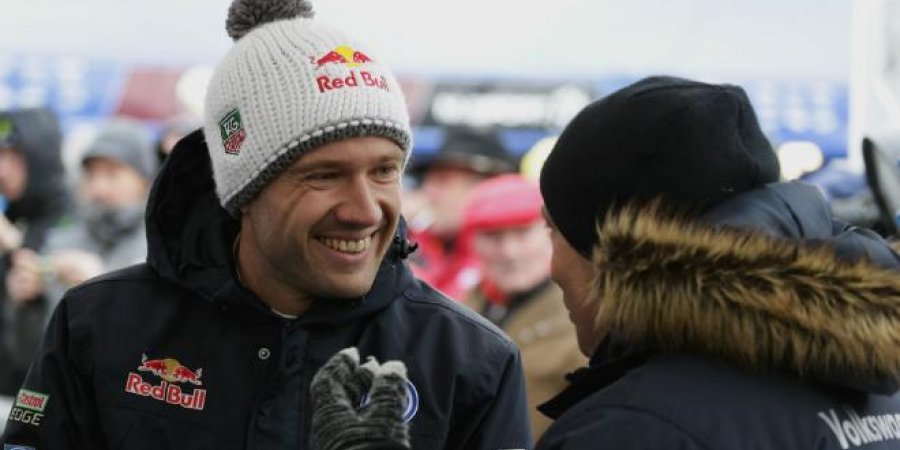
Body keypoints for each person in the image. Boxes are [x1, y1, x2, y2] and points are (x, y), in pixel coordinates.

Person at [0, 0, 532, 448]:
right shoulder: (98, 323)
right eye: (324, 175)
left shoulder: (472, 363)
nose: (366, 210)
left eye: (384, 171)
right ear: (243, 192)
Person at [310, 76, 900, 450]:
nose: (552, 267)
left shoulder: (635, 428)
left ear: (613, 251)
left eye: (553, 231)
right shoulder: (871, 377)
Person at [461, 174, 585, 439]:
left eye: (522, 232)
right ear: (472, 241)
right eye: (493, 236)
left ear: (551, 234)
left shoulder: (583, 319)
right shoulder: (459, 308)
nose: (509, 252)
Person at [5, 118, 156, 331]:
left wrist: (102, 284)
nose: (99, 188)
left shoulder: (163, 247)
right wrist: (27, 301)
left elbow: (163, 332)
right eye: (92, 174)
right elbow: (37, 345)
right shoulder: (63, 241)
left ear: (145, 181)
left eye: (112, 173)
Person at [0, 107, 73, 396]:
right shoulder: (16, 213)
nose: (2, 170)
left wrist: (17, 246)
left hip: (49, 392)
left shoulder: (75, 216)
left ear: (40, 157)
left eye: (14, 157)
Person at [405, 126, 517, 300]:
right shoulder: (419, 240)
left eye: (442, 181)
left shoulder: (510, 257)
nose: (428, 191)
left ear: (482, 187)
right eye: (428, 181)